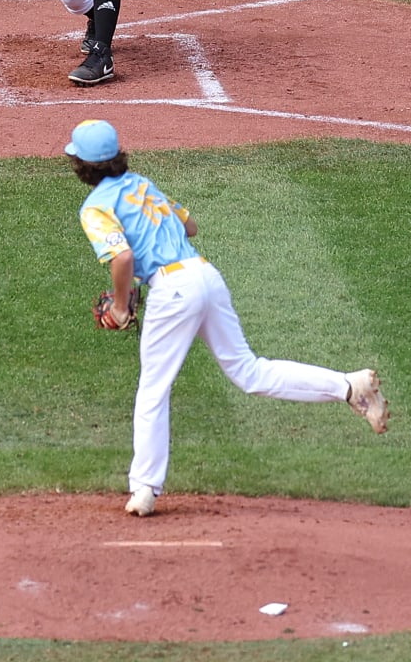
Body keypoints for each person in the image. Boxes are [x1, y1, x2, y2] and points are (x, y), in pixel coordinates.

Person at [63, 118, 390, 518]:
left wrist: (119, 304)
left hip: (172, 290)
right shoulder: (142, 184)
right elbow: (190, 226)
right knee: (249, 371)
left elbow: (124, 257)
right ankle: (348, 385)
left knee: (153, 392)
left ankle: (145, 488)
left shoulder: (95, 207)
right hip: (205, 276)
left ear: (82, 166)